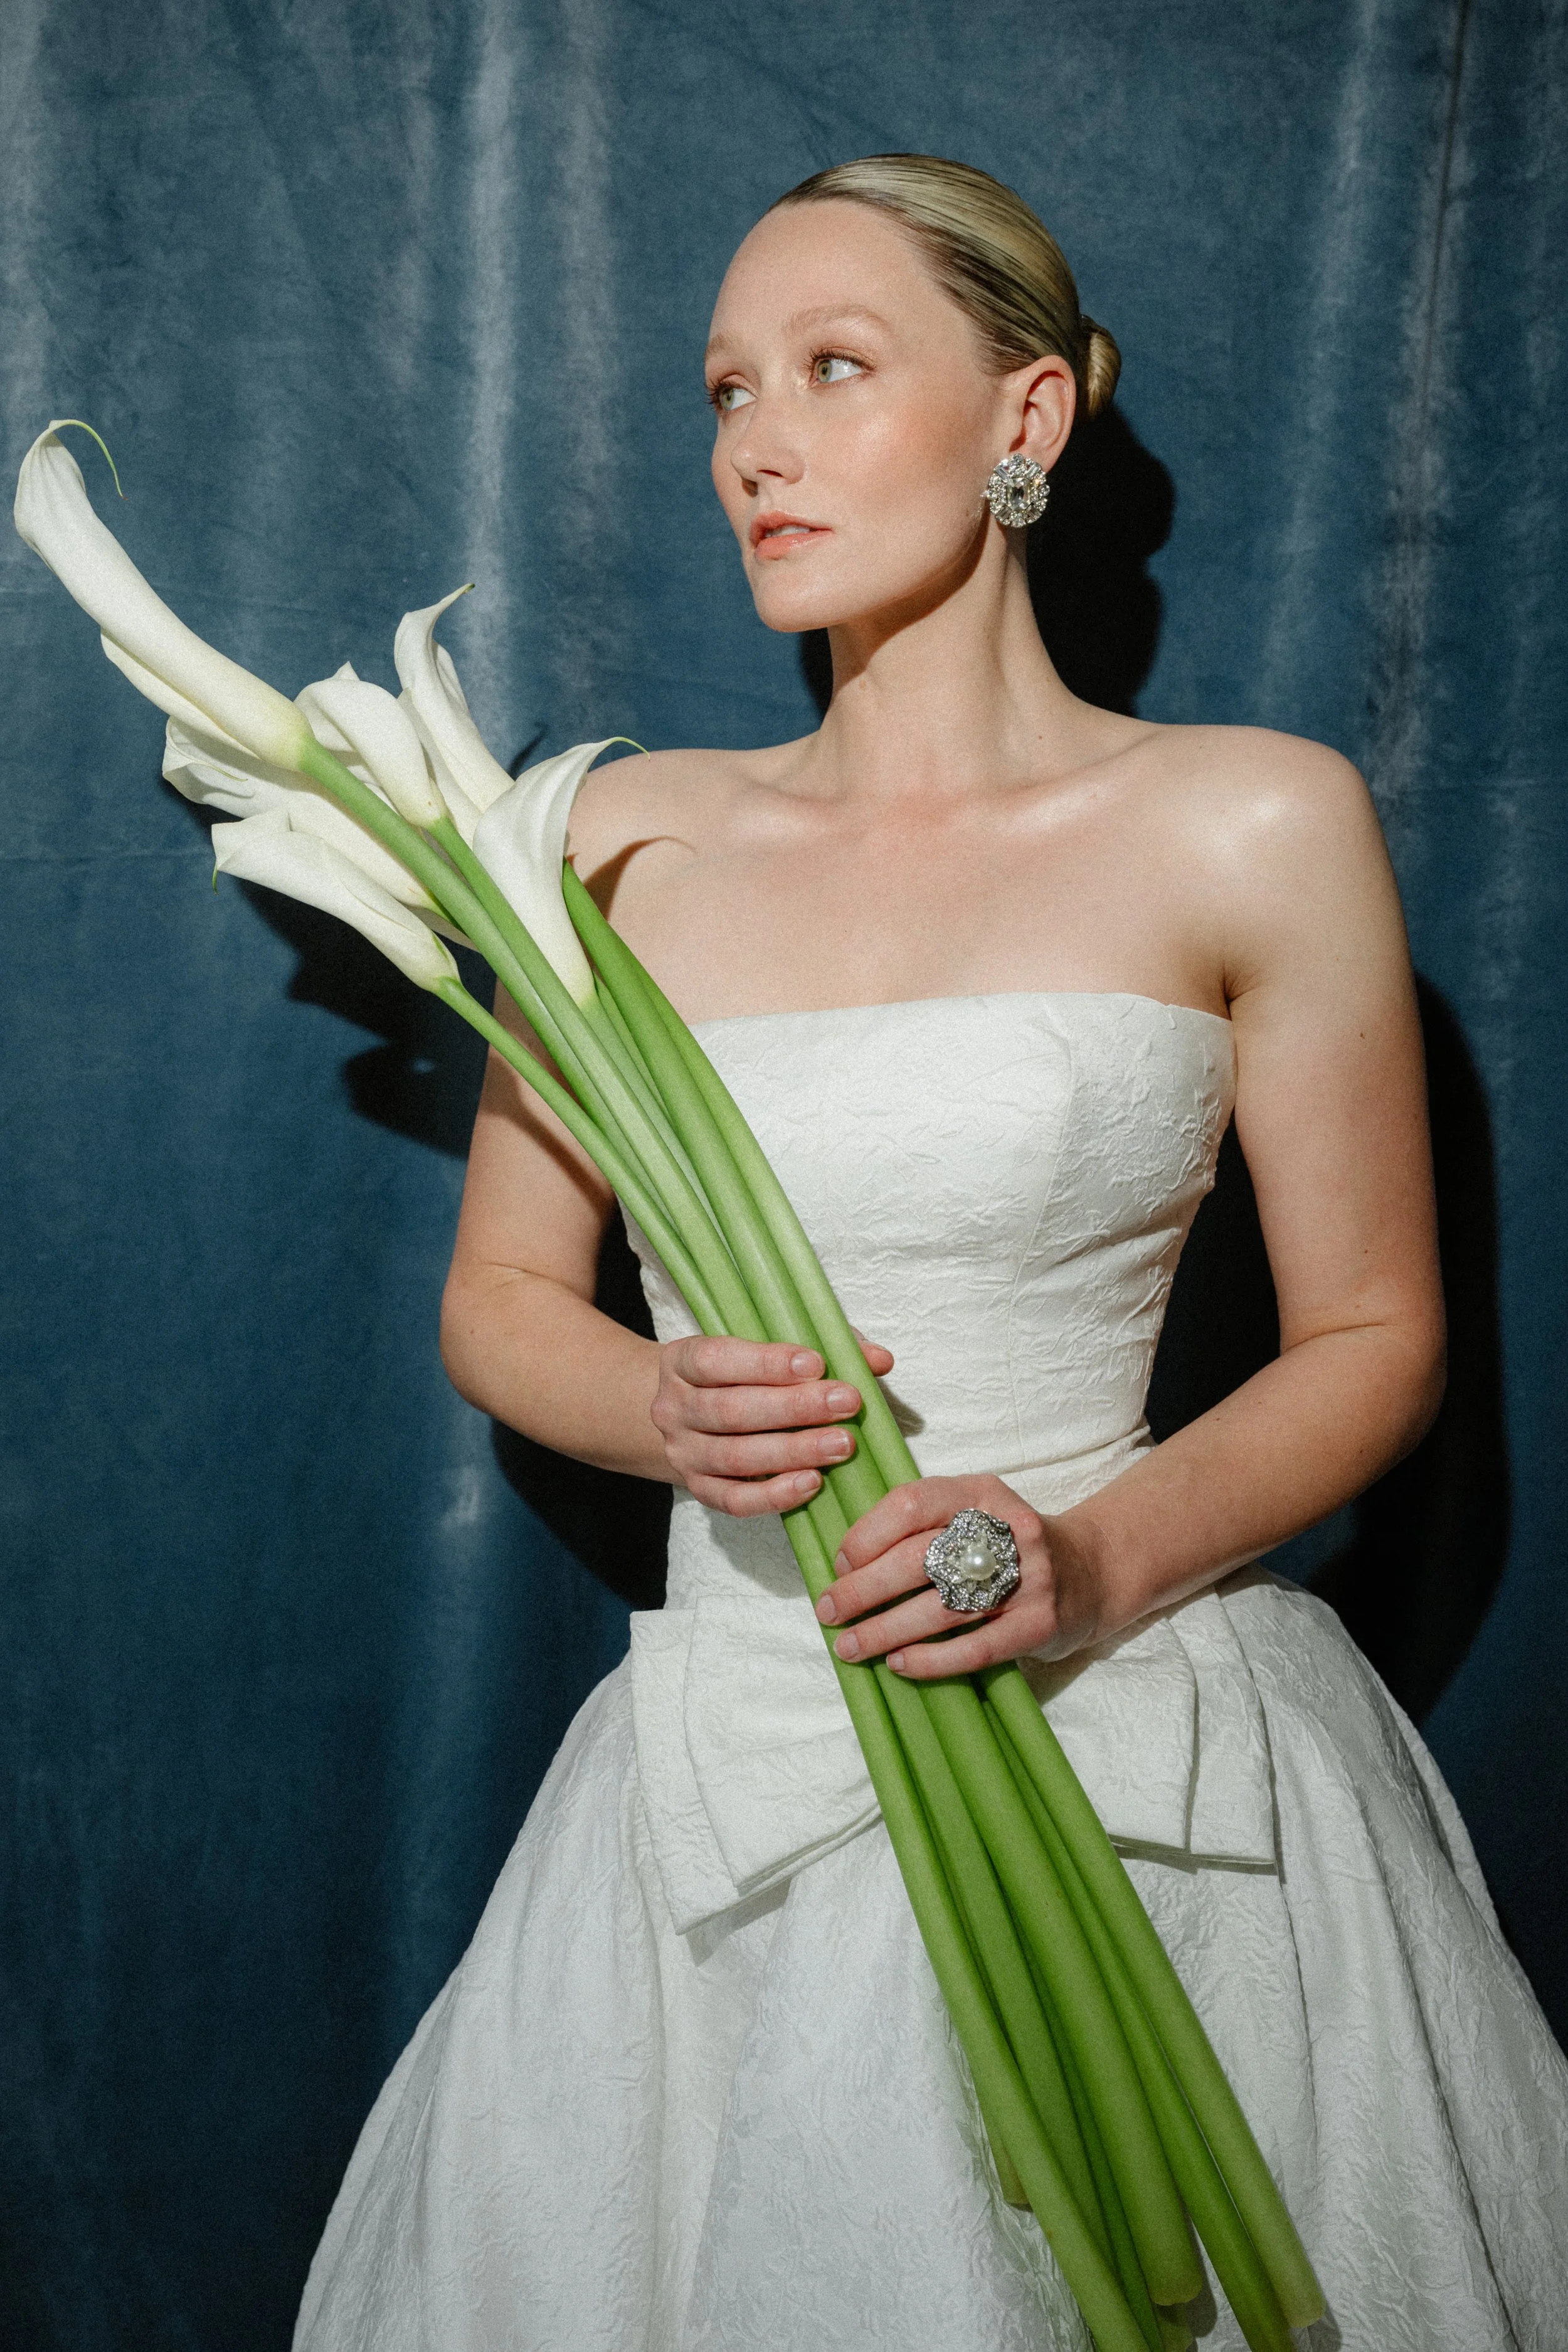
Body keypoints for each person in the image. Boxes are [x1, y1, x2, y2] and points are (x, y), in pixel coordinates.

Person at [294, 155, 1568, 2352]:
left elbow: (1374, 1341)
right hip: (727, 1773)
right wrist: (653, 1398)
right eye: (722, 392)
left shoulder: (1254, 817)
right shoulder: (606, 835)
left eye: (831, 369)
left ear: (1027, 421)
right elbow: (499, 1305)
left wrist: (1075, 1566)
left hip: (1143, 1733)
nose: (752, 446)